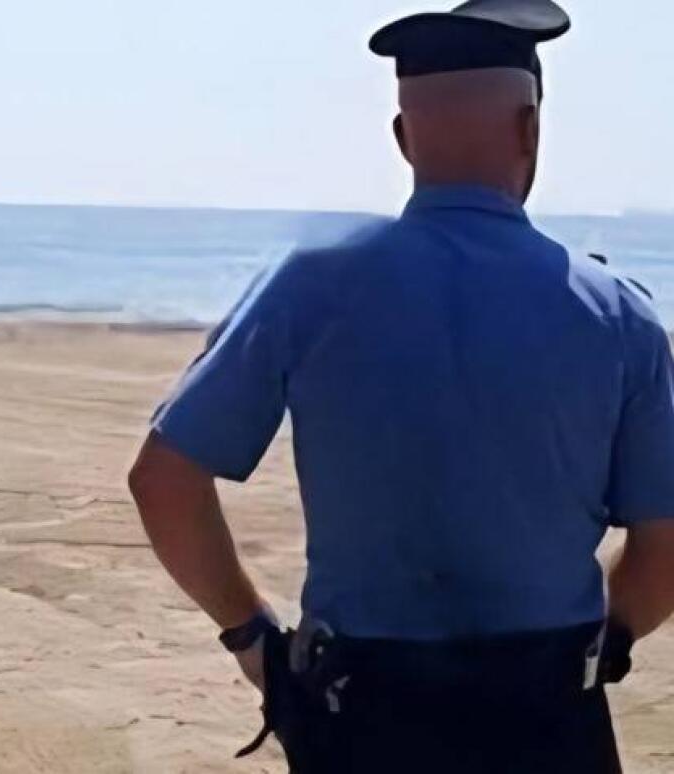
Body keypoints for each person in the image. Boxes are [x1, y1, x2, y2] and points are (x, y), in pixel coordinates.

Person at [128, 1, 674, 772]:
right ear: (530, 130)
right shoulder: (620, 317)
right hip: (546, 715)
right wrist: (608, 640)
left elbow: (164, 480)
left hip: (361, 712)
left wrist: (252, 638)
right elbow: (665, 546)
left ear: (403, 138)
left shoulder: (311, 285)